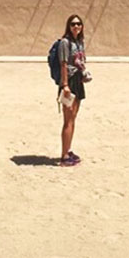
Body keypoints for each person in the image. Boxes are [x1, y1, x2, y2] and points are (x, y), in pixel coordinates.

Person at [58, 14, 89, 167]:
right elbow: (63, 64)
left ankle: (68, 150)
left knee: (73, 117)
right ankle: (64, 157)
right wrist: (65, 85)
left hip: (78, 81)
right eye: (73, 24)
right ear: (68, 26)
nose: (76, 26)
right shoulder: (65, 43)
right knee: (68, 119)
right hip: (69, 82)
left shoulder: (80, 42)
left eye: (78, 24)